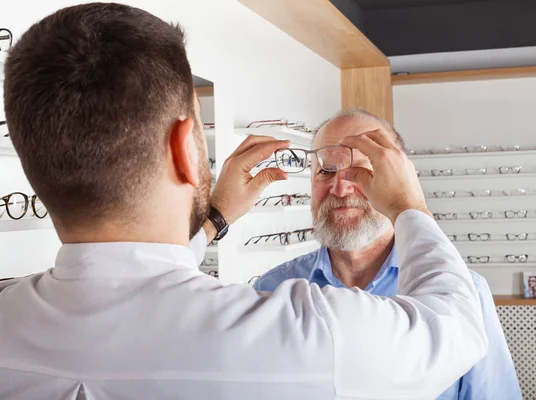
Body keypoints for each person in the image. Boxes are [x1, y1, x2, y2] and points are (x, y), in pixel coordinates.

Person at [0, 4, 487, 399]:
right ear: (184, 149)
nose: (340, 186)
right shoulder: (303, 324)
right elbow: (455, 328)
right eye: (327, 169)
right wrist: (408, 205)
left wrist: (213, 218)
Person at [254, 108, 522, 400]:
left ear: (400, 180)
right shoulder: (271, 290)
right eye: (326, 171)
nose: (340, 188)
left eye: (361, 172)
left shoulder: (464, 292)